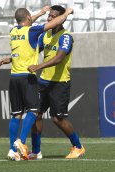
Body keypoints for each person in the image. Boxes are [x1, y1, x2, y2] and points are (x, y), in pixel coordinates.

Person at [0, 6, 74, 161]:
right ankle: (22, 142)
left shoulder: (13, 31)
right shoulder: (33, 31)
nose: (49, 18)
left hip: (14, 77)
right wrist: (67, 13)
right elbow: (53, 24)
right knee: (34, 111)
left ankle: (13, 149)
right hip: (28, 77)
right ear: (28, 19)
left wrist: (40, 12)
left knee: (16, 114)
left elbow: (27, 40)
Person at [28, 5, 85, 160]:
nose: (49, 19)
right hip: (43, 81)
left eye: (53, 16)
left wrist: (39, 66)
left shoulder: (65, 36)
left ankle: (78, 147)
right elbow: (32, 52)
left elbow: (59, 57)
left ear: (61, 19)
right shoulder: (45, 35)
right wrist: (12, 58)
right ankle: (36, 151)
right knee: (35, 115)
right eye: (49, 16)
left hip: (59, 83)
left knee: (57, 118)